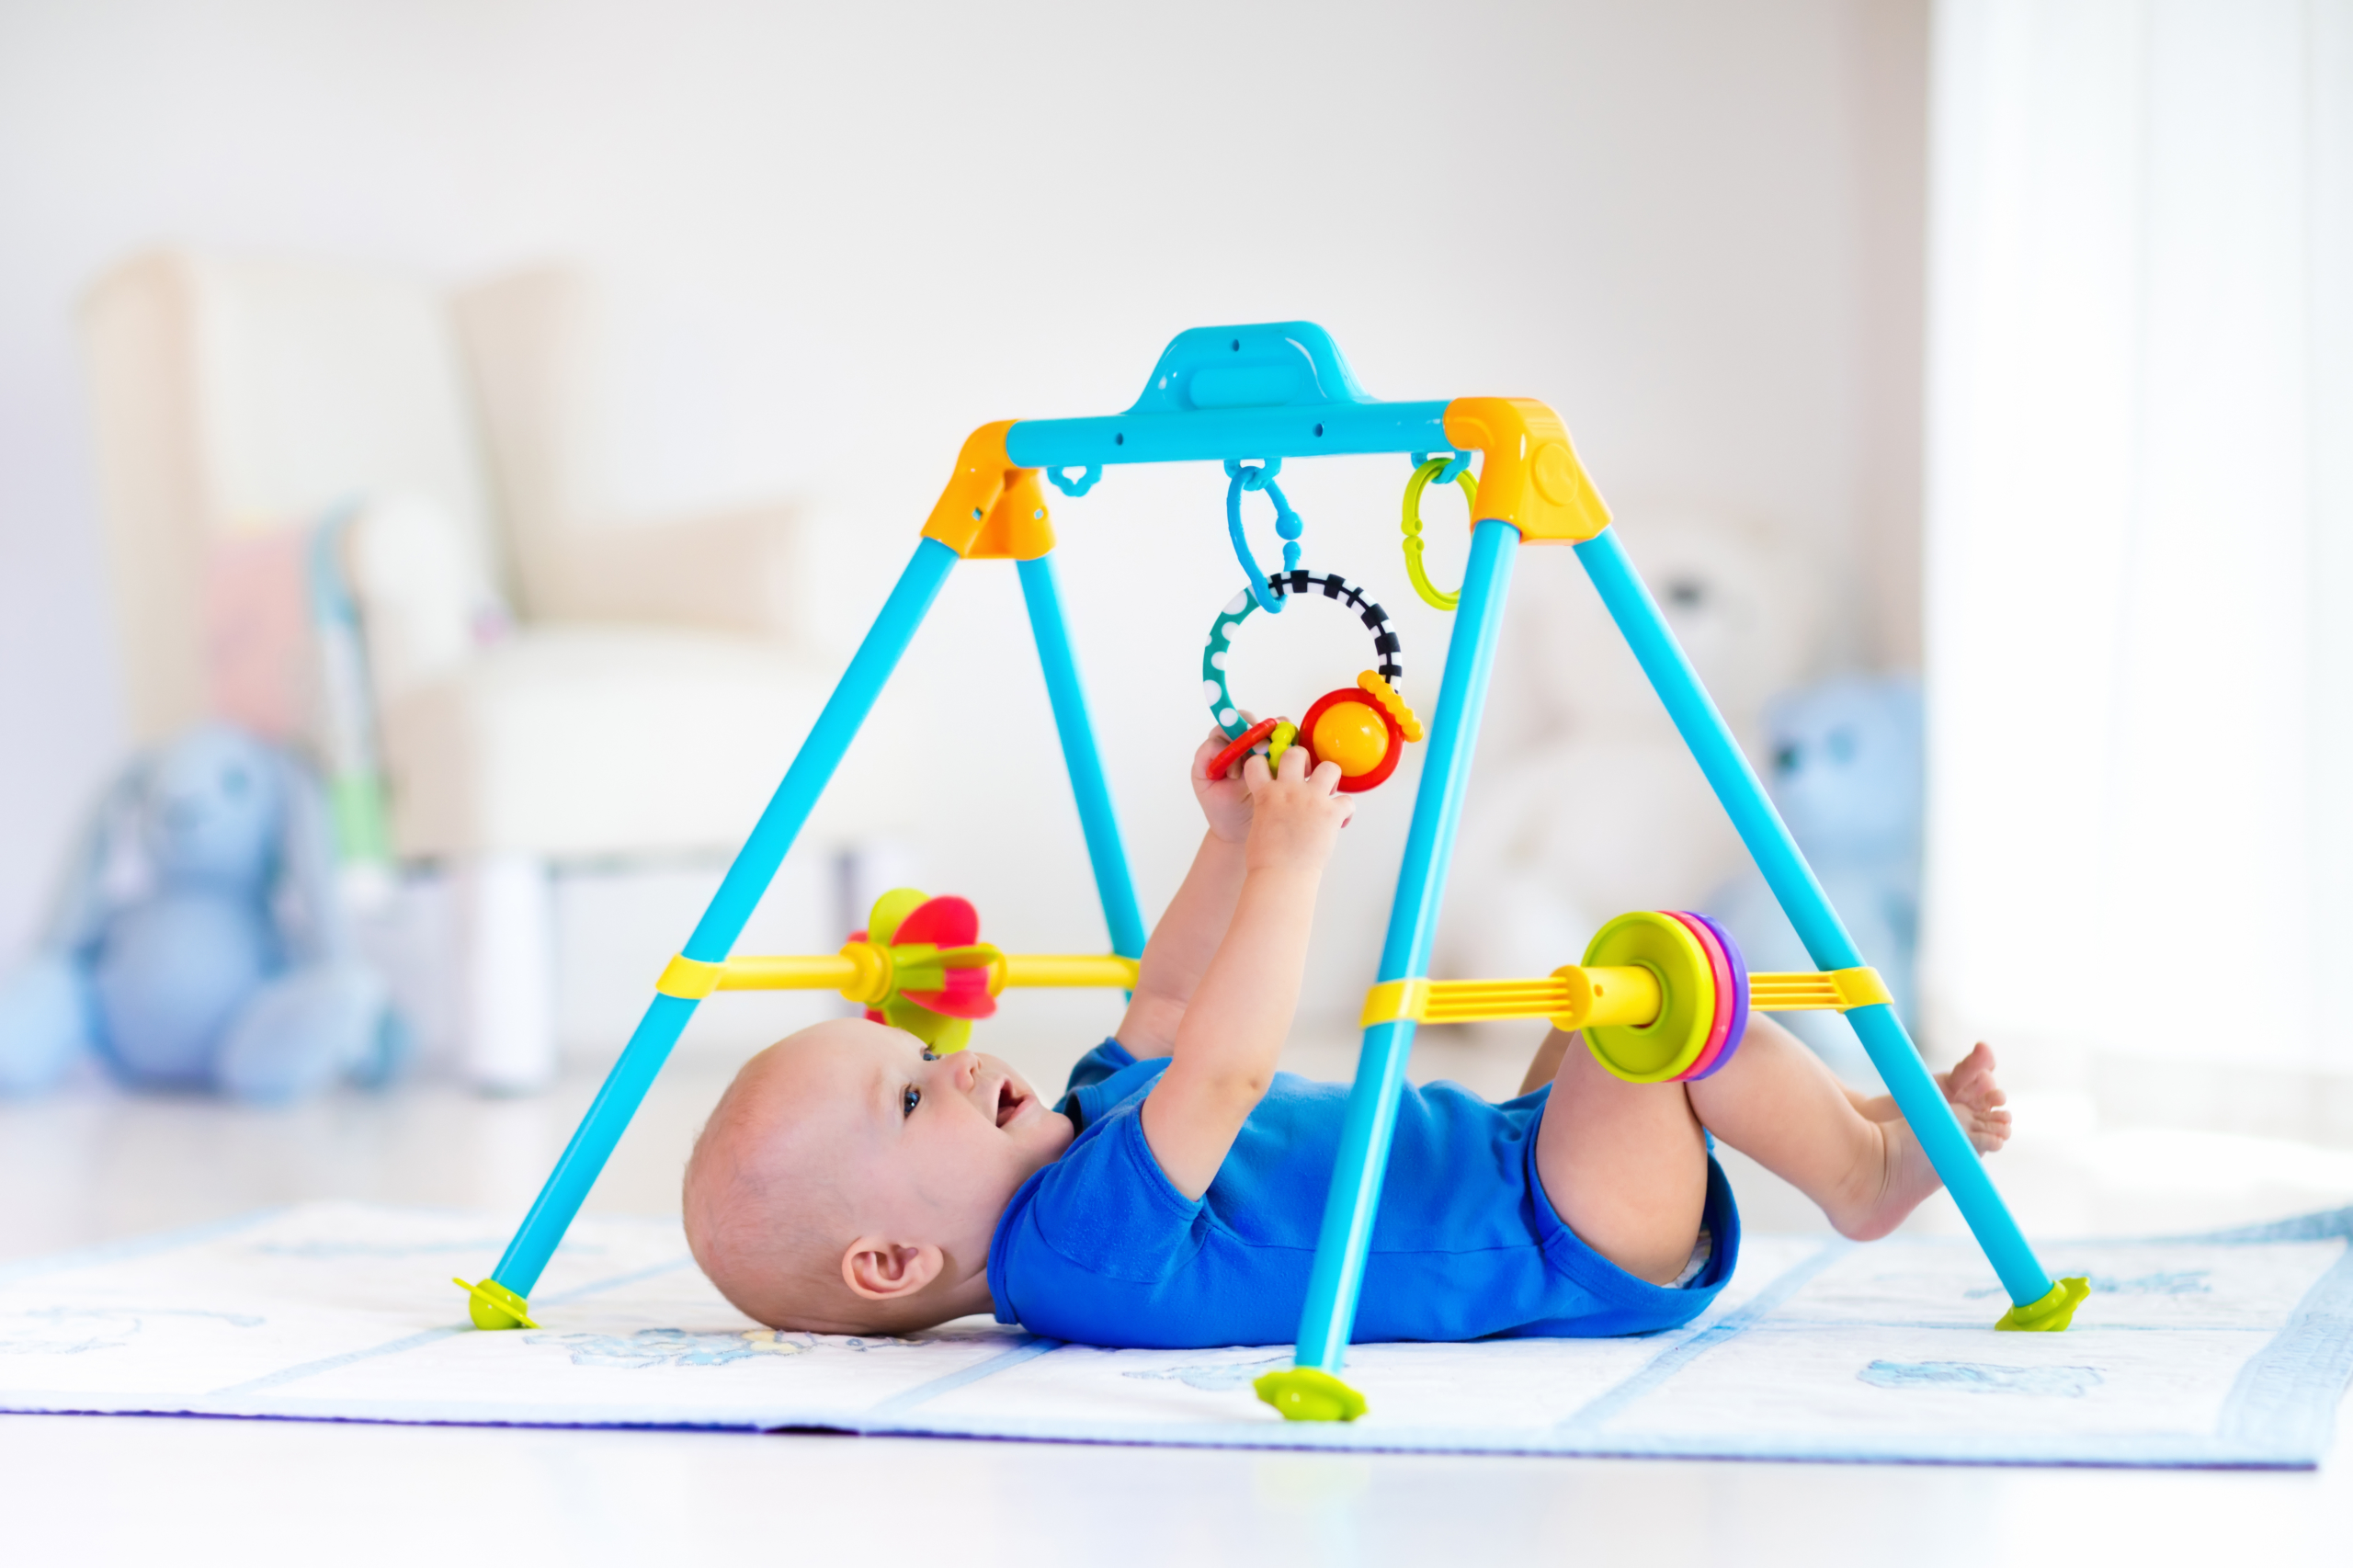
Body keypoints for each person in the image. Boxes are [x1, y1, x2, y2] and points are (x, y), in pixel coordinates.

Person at [682, 733, 2009, 1346]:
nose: (960, 1060)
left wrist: (1226, 843)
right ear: (894, 1261)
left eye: (923, 1056)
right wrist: (1292, 868)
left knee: (1616, 1002)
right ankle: (1859, 1175)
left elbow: (1171, 1008)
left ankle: (1859, 1124)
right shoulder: (1076, 1246)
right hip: (1556, 1233)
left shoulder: (1083, 1136)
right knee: (1657, 998)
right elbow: (1225, 1068)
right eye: (917, 1099)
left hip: (1517, 1158)